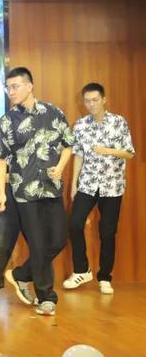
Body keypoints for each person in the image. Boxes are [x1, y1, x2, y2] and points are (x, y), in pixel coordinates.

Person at [0, 67, 74, 316]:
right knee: (38, 245)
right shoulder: (7, 121)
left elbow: (68, 144)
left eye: (15, 86)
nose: (11, 91)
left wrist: (60, 166)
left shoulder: (53, 112)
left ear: (30, 86)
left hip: (51, 189)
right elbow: (0, 159)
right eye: (8, 87)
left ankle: (20, 274)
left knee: (58, 240)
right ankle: (46, 297)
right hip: (24, 192)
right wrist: (2, 193)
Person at [63, 82, 134, 294]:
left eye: (95, 100)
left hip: (112, 186)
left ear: (104, 100)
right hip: (87, 183)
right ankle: (81, 270)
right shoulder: (80, 125)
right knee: (74, 224)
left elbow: (129, 153)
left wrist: (108, 150)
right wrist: (74, 184)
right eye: (87, 101)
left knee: (107, 232)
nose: (91, 104)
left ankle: (105, 277)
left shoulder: (118, 122)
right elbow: (78, 155)